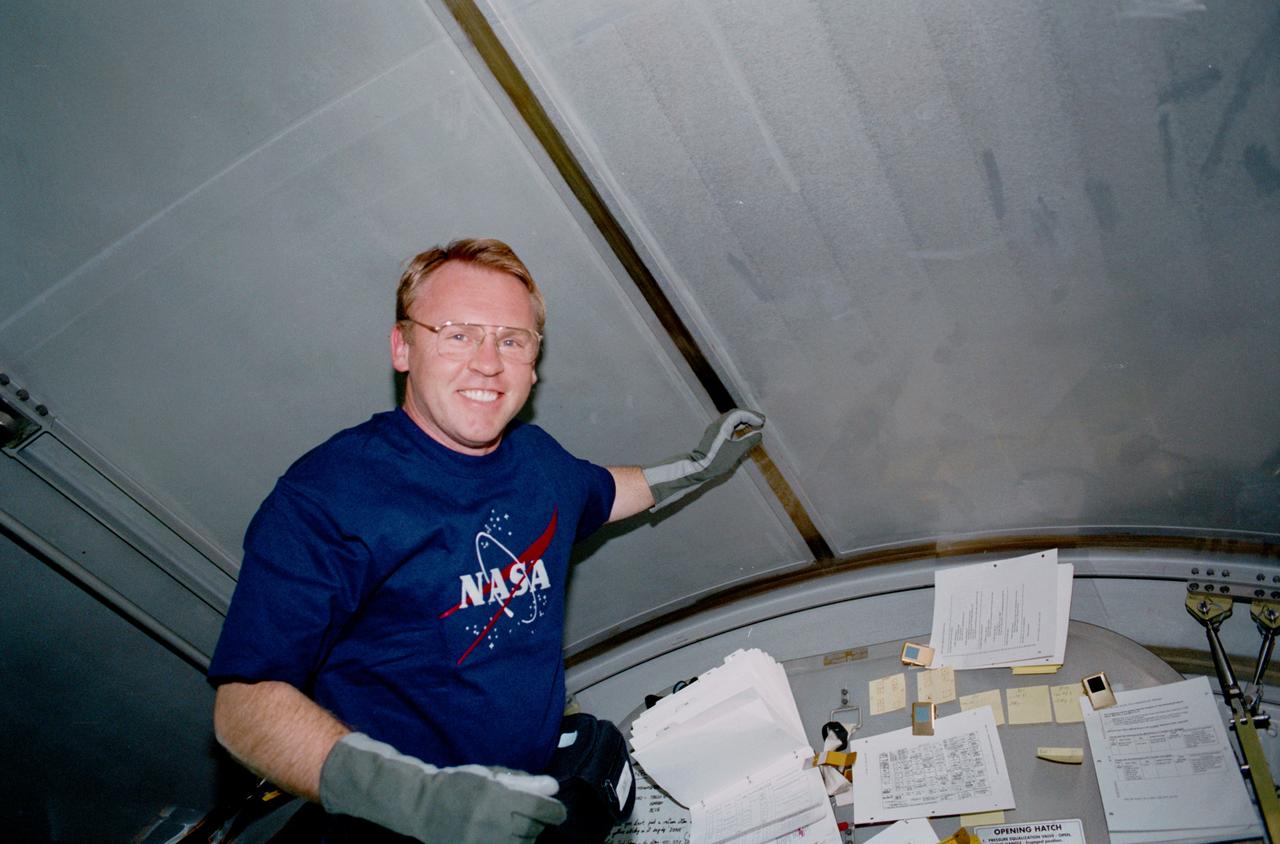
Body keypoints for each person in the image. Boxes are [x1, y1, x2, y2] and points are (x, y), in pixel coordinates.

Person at [207, 238, 764, 842]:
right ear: (402, 347)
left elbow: (602, 493)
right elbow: (244, 707)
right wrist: (421, 803)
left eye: (511, 340)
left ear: (534, 359)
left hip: (528, 792)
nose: (488, 363)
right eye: (457, 334)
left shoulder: (536, 459)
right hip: (395, 819)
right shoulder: (328, 496)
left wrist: (698, 467)